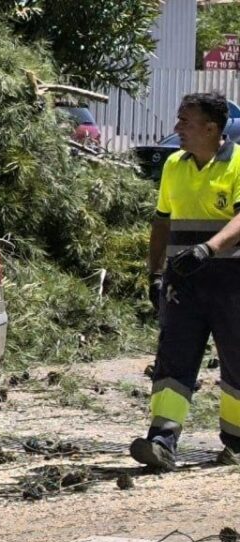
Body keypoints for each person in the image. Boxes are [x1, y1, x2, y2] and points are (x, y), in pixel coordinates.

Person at [132, 91, 240, 471]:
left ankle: (236, 442)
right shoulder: (174, 165)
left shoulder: (239, 163)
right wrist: (155, 272)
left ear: (212, 129)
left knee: (236, 360)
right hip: (184, 283)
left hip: (231, 280)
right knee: (173, 358)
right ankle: (161, 441)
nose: (177, 128)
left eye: (185, 122)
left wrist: (208, 249)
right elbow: (162, 221)